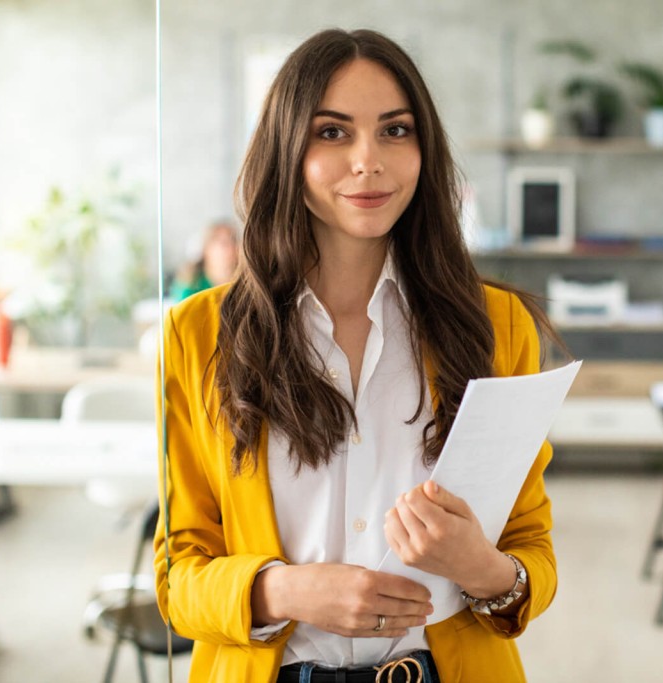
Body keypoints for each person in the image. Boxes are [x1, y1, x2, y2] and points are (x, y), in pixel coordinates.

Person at [154, 28, 560, 683]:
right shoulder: (198, 335)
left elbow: (531, 550)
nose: (369, 160)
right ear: (287, 149)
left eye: (396, 131)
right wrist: (283, 590)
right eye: (333, 132)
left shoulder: (496, 326)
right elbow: (177, 576)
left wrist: (479, 565)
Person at [168, 220, 240, 301]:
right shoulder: (191, 286)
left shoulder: (245, 285)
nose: (232, 247)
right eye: (223, 243)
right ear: (207, 249)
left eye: (233, 240)